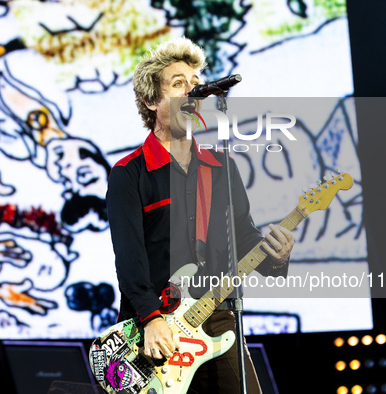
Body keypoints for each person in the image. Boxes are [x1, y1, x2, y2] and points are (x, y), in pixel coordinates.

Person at [106, 37, 294, 394]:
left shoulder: (222, 166)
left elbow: (242, 236)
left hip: (217, 319)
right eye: (179, 84)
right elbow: (129, 259)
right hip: (156, 326)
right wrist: (150, 318)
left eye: (196, 84)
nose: (193, 91)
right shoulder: (130, 173)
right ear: (151, 101)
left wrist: (276, 257)